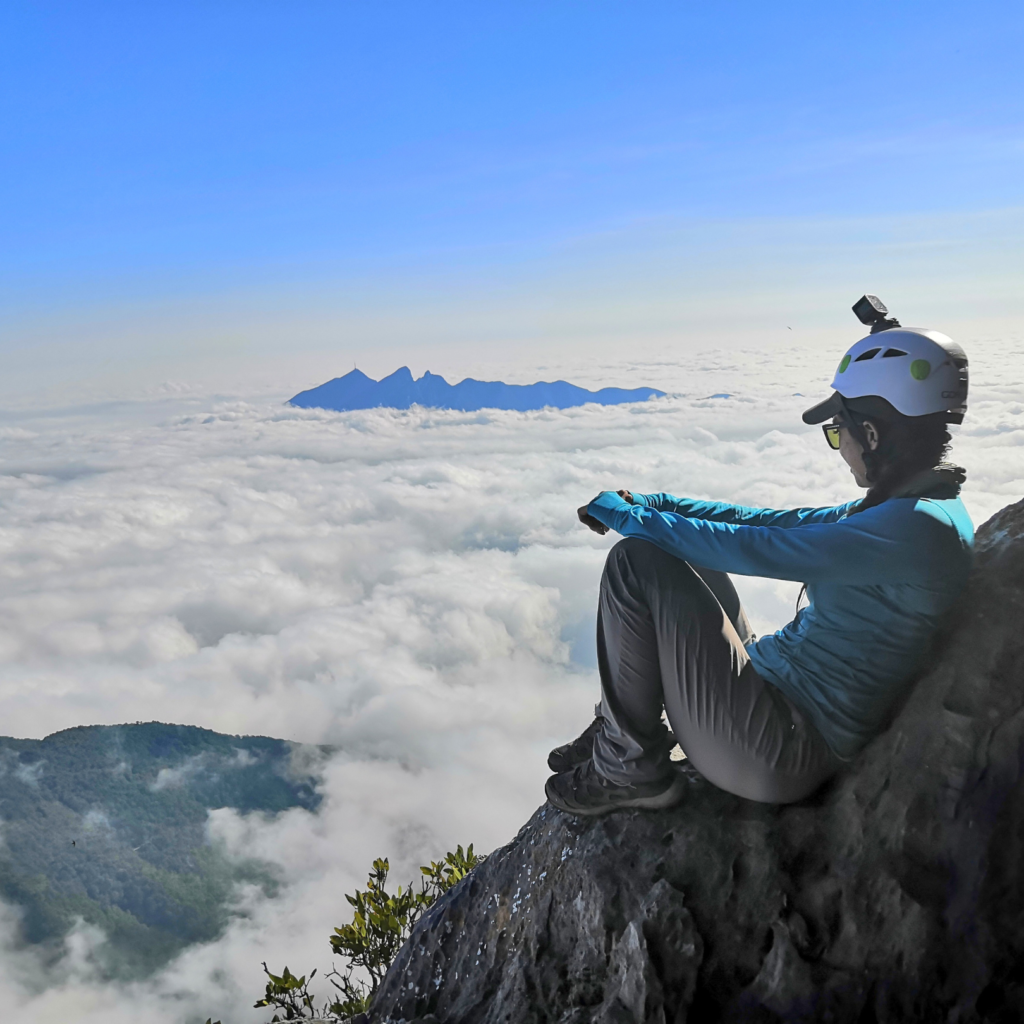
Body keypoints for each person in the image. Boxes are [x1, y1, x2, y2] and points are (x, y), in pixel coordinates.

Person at [545, 313, 973, 816]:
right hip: (770, 700)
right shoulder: (911, 508)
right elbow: (770, 523)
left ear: (873, 435)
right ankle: (620, 724)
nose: (840, 447)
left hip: (779, 749)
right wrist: (654, 504)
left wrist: (629, 520)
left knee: (634, 561)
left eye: (839, 432)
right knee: (673, 552)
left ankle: (625, 767)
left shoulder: (915, 529)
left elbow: (756, 549)